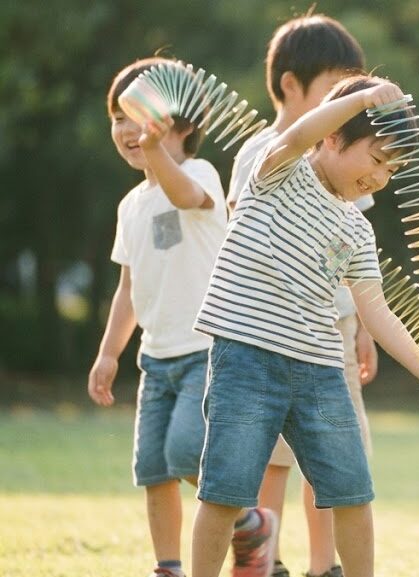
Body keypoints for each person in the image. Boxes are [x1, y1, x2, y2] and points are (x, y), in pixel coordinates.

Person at [190, 74, 419, 577]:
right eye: (377, 160)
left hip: (318, 370)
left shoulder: (357, 227)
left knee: (353, 491)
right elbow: (297, 135)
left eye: (391, 170)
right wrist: (360, 98)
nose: (381, 177)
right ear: (333, 138)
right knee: (225, 492)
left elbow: (375, 310)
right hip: (246, 359)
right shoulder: (278, 170)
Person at [227, 15, 377, 577]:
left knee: (335, 457)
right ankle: (266, 560)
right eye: (335, 87)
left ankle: (325, 567)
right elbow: (244, 237)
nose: (347, 104)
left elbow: (355, 260)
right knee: (273, 457)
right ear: (291, 85)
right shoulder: (261, 153)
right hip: (273, 332)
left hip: (332, 329)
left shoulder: (344, 156)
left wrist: (363, 327)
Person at [87, 56, 227, 577]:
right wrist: (108, 353)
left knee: (186, 452)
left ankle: (243, 517)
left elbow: (186, 196)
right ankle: (168, 565)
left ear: (184, 124)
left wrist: (156, 155)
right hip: (156, 359)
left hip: (204, 350)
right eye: (117, 117)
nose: (125, 129)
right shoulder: (131, 205)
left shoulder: (197, 174)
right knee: (152, 470)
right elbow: (128, 286)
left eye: (137, 115)